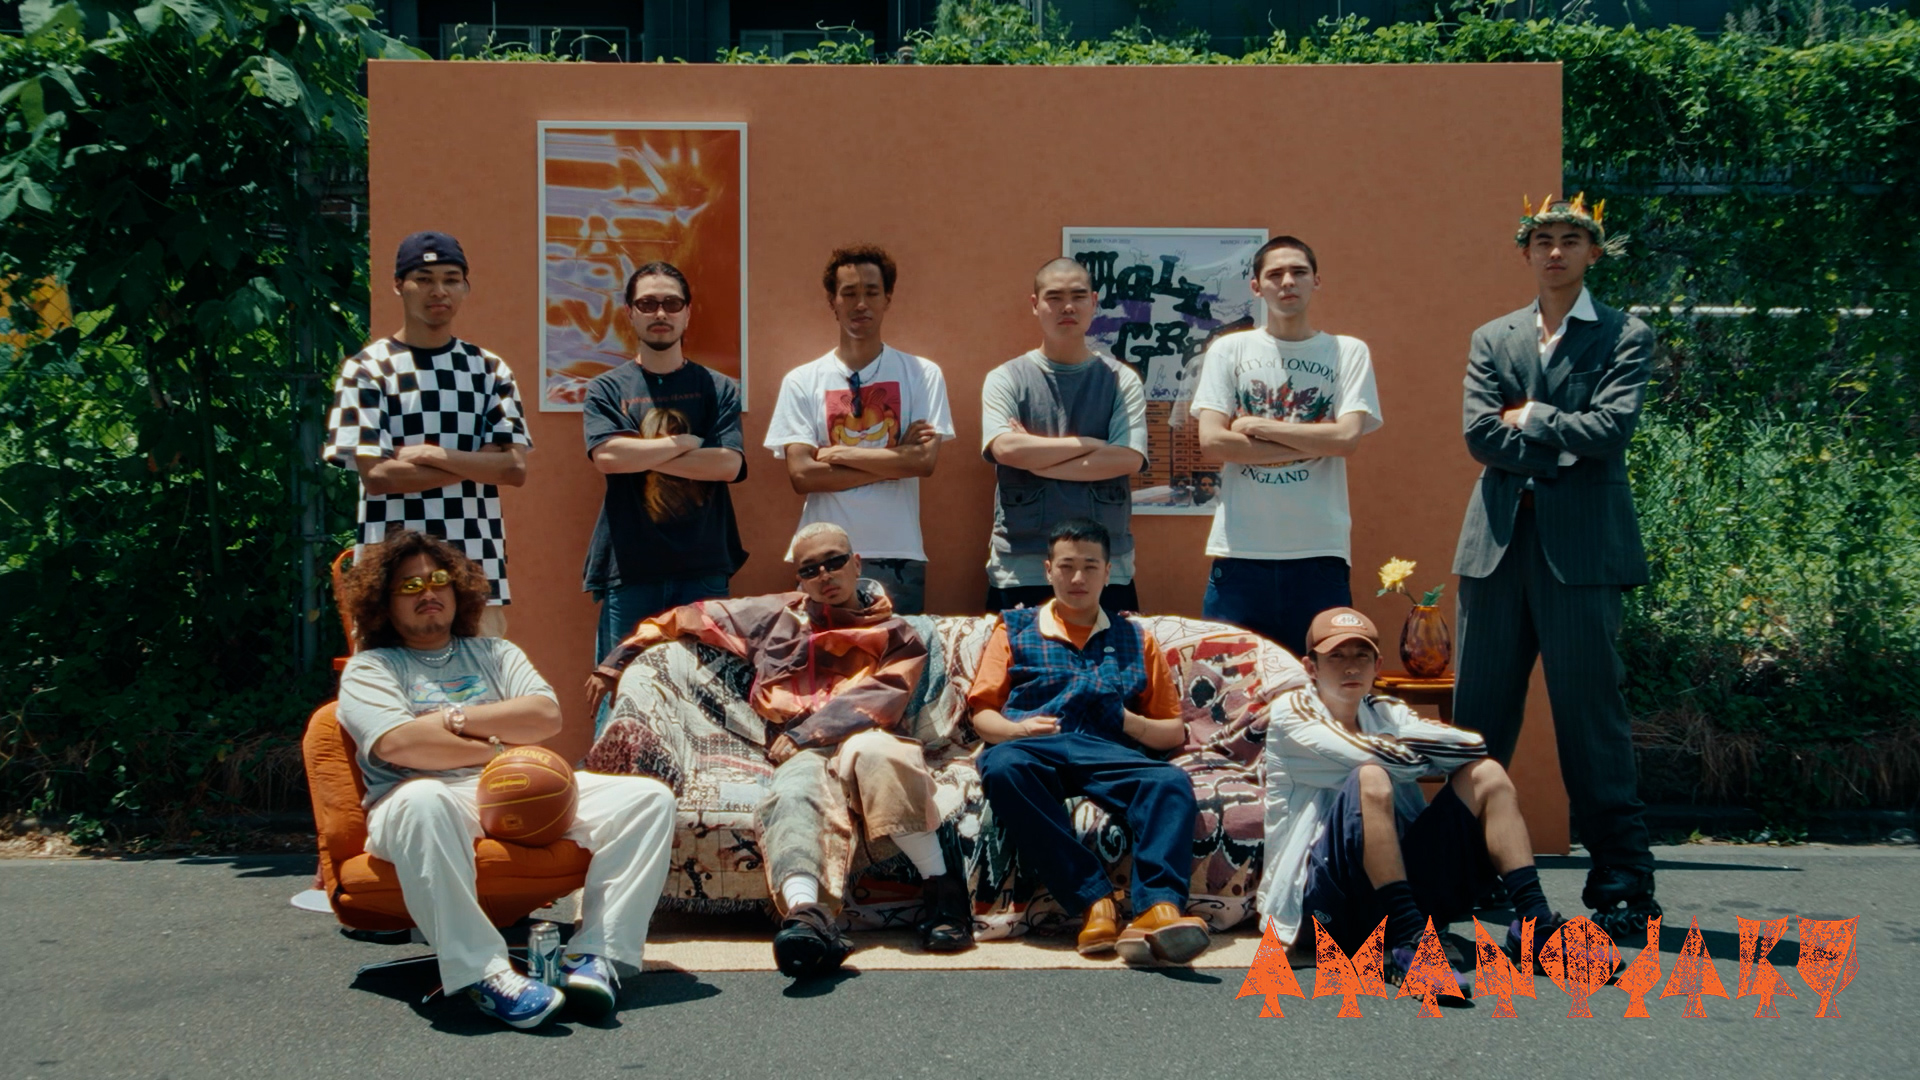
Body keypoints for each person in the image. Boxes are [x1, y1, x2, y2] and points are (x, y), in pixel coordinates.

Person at [587, 522, 970, 975]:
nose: (825, 575)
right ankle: (806, 918)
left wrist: (809, 732)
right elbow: (686, 617)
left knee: (881, 756)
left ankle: (944, 895)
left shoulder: (896, 632)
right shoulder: (775, 615)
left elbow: (884, 695)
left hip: (860, 734)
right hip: (798, 751)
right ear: (799, 578)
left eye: (834, 562)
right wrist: (615, 662)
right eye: (810, 569)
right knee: (793, 793)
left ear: (856, 564)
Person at [335, 530, 675, 1030]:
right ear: (383, 602)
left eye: (439, 579)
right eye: (409, 585)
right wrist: (497, 744)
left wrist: (449, 720)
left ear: (458, 589)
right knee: (424, 798)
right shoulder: (370, 668)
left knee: (647, 798)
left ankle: (595, 956)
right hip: (421, 802)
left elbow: (544, 717)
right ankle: (485, 973)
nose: (428, 592)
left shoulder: (496, 652)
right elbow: (400, 745)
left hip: (513, 788)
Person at [1451, 195, 1661, 941]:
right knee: (1476, 724)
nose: (1555, 251)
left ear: (1593, 253)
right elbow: (1480, 435)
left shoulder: (1626, 333)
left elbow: (1613, 429)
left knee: (1590, 720)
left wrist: (1535, 418)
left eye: (1571, 240)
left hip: (1583, 555)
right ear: (1526, 252)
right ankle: (1468, 871)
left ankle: (1623, 883)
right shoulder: (1493, 336)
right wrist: (1564, 447)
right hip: (1496, 550)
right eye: (1543, 239)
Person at [1258, 607, 1566, 992]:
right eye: (1335, 656)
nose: (1350, 666)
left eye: (1361, 656)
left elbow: (1471, 746)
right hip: (1323, 906)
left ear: (1377, 666)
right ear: (1311, 667)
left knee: (1486, 774)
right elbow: (1377, 760)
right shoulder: (1291, 714)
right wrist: (1416, 754)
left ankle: (1537, 928)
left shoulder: (1386, 711)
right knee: (1371, 777)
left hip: (1394, 892)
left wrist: (1396, 747)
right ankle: (1412, 944)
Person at [968, 519, 1210, 967]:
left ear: (1108, 572)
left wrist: (1128, 722)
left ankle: (1159, 909)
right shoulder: (1014, 628)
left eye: (1090, 567)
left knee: (1169, 783)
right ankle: (1094, 900)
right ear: (1048, 570)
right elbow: (983, 715)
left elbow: (1172, 731)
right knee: (1002, 769)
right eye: (1066, 566)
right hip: (1034, 748)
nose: (1077, 578)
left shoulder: (1135, 637)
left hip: (1108, 751)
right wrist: (1020, 731)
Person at [324, 232, 531, 635]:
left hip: (476, 572)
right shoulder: (366, 369)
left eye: (451, 279)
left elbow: (514, 470)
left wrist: (430, 454)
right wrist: (478, 463)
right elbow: (378, 476)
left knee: (483, 677)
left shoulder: (489, 369)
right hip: (389, 578)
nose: (439, 291)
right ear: (398, 285)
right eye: (424, 279)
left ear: (465, 287)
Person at [1191, 235, 1383, 657]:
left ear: (1317, 281)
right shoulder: (1229, 350)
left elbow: (1347, 438)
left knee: (1321, 681)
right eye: (1275, 274)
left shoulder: (1346, 351)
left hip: (1320, 552)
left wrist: (1257, 425)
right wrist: (1318, 442)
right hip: (1240, 553)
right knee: (1228, 683)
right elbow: (1213, 441)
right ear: (1256, 287)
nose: (1288, 282)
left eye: (1298, 271)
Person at [581, 261, 747, 730]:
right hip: (630, 569)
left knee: (708, 698)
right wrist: (683, 443)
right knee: (621, 694)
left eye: (671, 303)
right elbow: (607, 457)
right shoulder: (606, 388)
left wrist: (643, 453)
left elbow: (728, 465)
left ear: (687, 313)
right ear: (629, 313)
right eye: (648, 303)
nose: (660, 313)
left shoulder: (717, 388)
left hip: (704, 568)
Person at [763, 245, 954, 614]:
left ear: (887, 299)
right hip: (823, 558)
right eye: (849, 293)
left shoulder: (922, 374)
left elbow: (923, 463)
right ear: (832, 302)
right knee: (825, 653)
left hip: (898, 553)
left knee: (897, 653)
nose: (860, 303)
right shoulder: (801, 380)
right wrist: (896, 460)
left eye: (871, 292)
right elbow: (802, 475)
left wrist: (838, 453)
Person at [980, 257, 1148, 614]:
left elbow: (1127, 458)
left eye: (1078, 296)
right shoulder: (1006, 378)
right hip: (1021, 566)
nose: (1067, 307)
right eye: (1054, 297)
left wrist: (1036, 461)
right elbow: (1006, 448)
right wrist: (1086, 445)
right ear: (1035, 304)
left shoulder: (1121, 380)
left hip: (1105, 569)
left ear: (1094, 302)